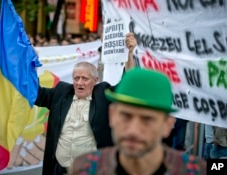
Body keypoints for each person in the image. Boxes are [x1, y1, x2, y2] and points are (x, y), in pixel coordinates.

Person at [34, 33, 137, 175]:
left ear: (95, 80)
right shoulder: (61, 93)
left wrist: (129, 54)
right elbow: (35, 94)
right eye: (76, 78)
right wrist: (30, 63)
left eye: (84, 78)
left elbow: (128, 86)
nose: (79, 83)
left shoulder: (103, 95)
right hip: (59, 170)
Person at [71, 68, 206, 175]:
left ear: (168, 125)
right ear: (112, 115)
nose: (133, 130)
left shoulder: (195, 170)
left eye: (147, 120)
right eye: (125, 116)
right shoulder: (86, 168)